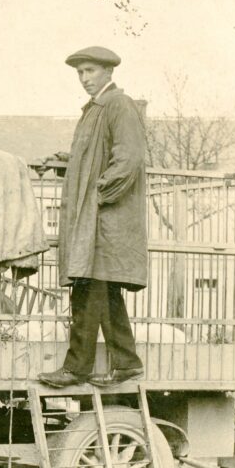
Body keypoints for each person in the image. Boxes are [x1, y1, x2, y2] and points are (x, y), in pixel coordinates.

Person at [39, 46, 148, 388]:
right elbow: (90, 158)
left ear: (108, 72)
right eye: (80, 73)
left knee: (88, 291)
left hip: (105, 221)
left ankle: (77, 368)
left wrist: (97, 194)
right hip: (97, 219)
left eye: (90, 71)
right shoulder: (94, 110)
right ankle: (127, 363)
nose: (84, 78)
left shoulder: (118, 105)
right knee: (103, 292)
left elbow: (128, 160)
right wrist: (62, 162)